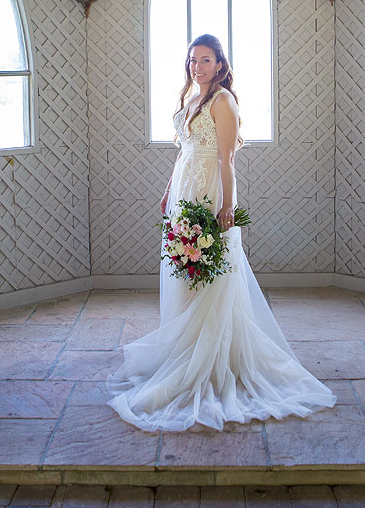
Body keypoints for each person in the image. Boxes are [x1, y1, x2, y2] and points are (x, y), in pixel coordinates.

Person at [107, 34, 336, 432]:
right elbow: (184, 149)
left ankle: (213, 355)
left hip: (209, 189)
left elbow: (226, 158)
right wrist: (167, 191)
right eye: (194, 60)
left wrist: (227, 206)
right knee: (185, 268)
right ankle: (185, 346)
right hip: (183, 187)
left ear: (220, 64)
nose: (198, 66)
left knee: (211, 269)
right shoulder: (192, 98)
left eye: (206, 60)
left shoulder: (223, 101)